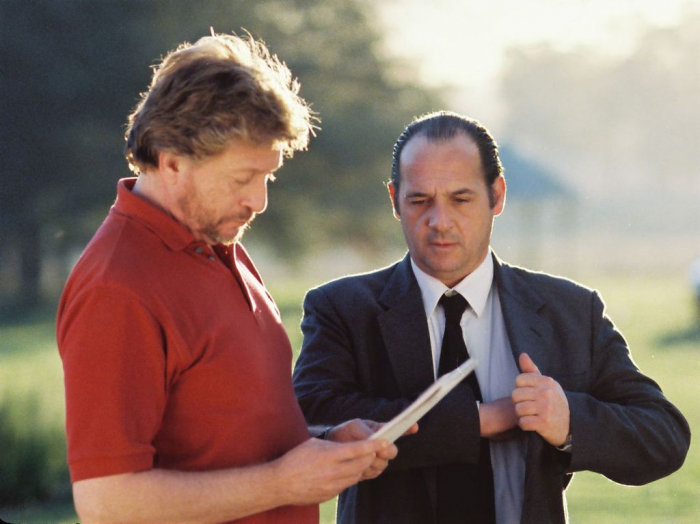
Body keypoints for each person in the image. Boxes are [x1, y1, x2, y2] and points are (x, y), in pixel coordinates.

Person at [56, 33, 403, 524]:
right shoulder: (116, 287)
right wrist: (282, 483)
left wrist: (322, 445)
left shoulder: (219, 243)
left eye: (268, 176)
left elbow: (225, 439)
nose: (258, 201)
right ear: (172, 161)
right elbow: (106, 501)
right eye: (242, 179)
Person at [292, 110, 691, 524]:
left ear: (497, 196)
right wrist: (485, 420)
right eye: (419, 200)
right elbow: (309, 419)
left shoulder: (570, 310)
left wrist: (568, 419)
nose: (439, 221)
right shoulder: (343, 308)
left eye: (460, 199)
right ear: (395, 199)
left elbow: (664, 436)